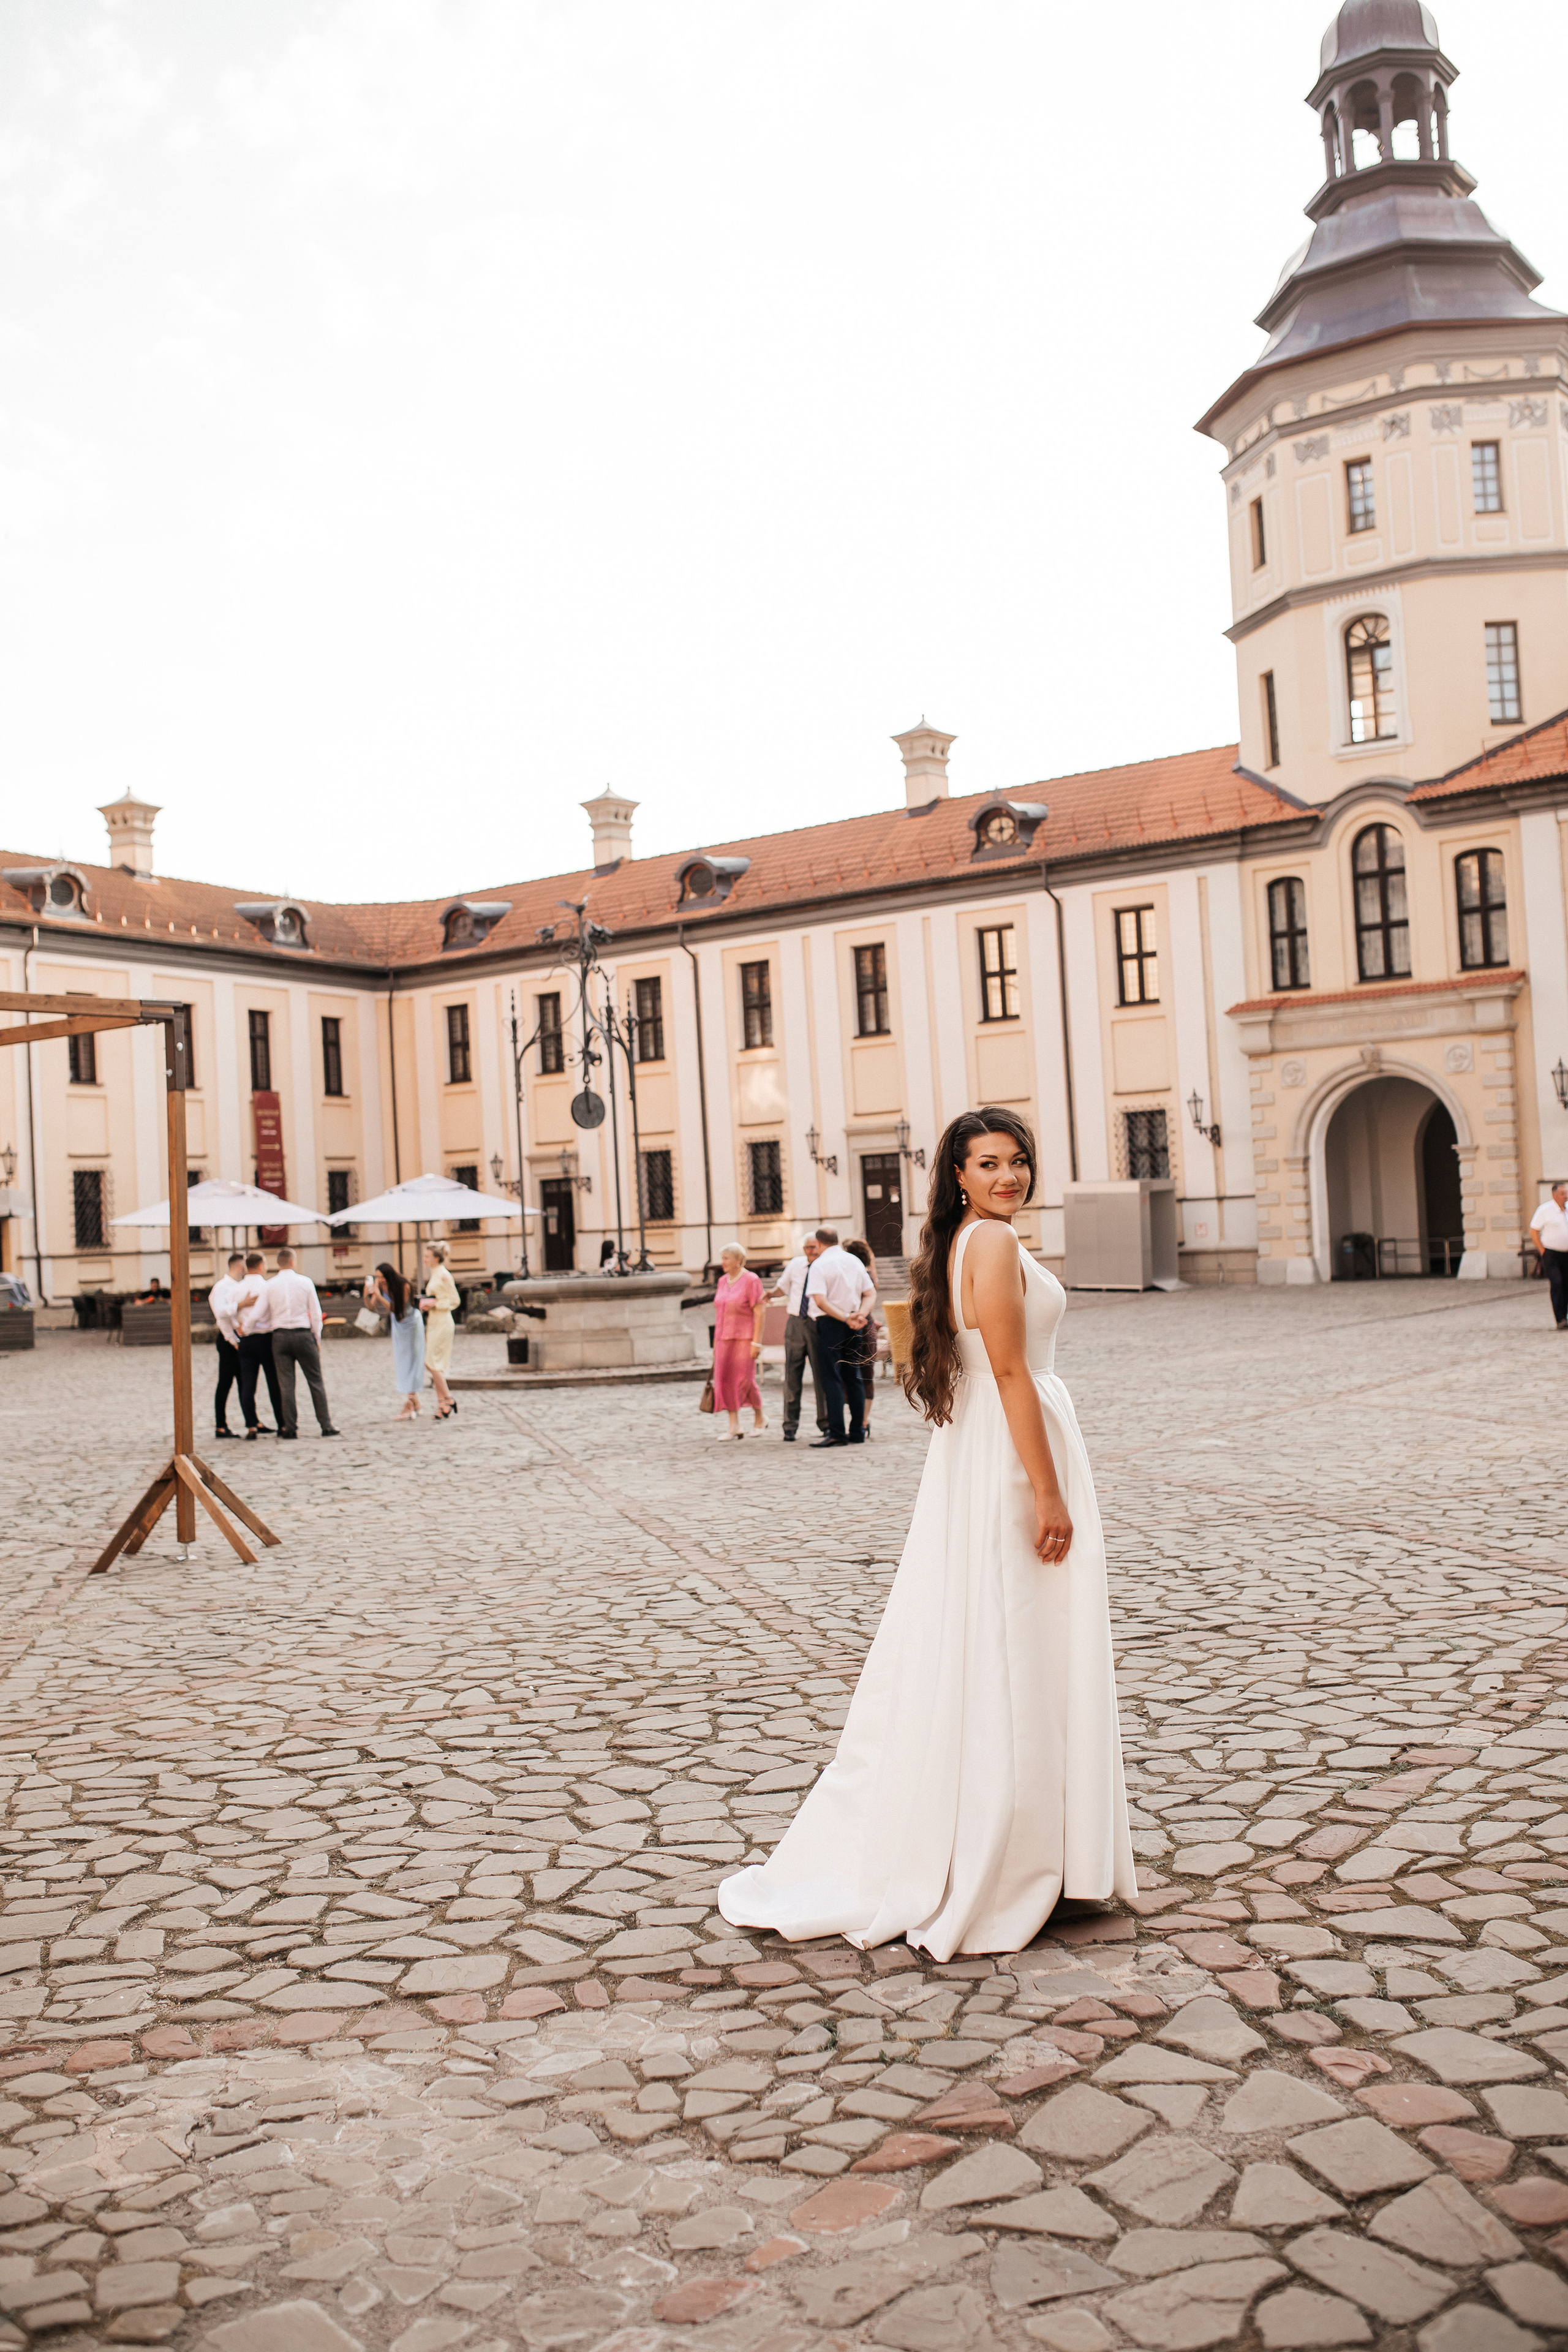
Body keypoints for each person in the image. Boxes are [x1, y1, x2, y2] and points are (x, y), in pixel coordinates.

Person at [718, 1106, 1135, 1959]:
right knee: (1017, 1643)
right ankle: (1014, 1858)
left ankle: (1030, 1851)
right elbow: (1013, 1370)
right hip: (1014, 1457)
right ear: (958, 1175)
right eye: (988, 1163)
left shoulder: (973, 1241)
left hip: (988, 1449)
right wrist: (1048, 1493)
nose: (1008, 1177)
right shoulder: (985, 1243)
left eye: (1018, 1161)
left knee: (1000, 1643)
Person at [257, 1246, 339, 1440]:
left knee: (286, 1385)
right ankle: (326, 1425)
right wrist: (316, 1337)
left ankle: (291, 1427)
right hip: (303, 1335)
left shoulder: (270, 1285)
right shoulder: (305, 1282)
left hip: (280, 1337)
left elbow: (259, 1312)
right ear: (293, 1262)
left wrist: (245, 1328)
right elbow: (316, 1314)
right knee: (316, 1381)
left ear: (278, 1263)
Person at [804, 1226, 874, 1447]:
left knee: (832, 1378)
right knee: (853, 1375)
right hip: (856, 1323)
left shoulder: (819, 1264)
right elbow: (870, 1292)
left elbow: (820, 1301)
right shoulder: (854, 1261)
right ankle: (857, 1431)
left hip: (832, 1323)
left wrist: (846, 1318)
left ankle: (837, 1432)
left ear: (819, 1243)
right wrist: (860, 1314)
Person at [771, 1235, 826, 1444]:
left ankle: (826, 1423)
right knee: (792, 1376)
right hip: (795, 1322)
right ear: (803, 1248)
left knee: (820, 1375)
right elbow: (782, 1287)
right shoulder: (795, 1265)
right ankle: (790, 1426)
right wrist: (771, 1294)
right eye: (808, 1248)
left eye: (815, 1247)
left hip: (816, 1323)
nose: (812, 1251)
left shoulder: (824, 1265)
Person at [711, 1245, 766, 1439]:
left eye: (726, 1258)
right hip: (723, 1338)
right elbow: (719, 1314)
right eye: (722, 1258)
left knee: (745, 1380)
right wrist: (716, 1343)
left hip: (745, 1338)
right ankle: (734, 1426)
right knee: (723, 1381)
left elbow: (759, 1313)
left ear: (738, 1260)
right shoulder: (722, 1281)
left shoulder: (752, 1280)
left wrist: (756, 1343)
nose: (723, 1262)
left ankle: (760, 1417)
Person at [233, 1251, 284, 1439]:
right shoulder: (267, 1286)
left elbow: (230, 1311)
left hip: (245, 1339)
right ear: (262, 1266)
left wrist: (237, 1328)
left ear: (247, 1267)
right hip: (265, 1338)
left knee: (248, 1384)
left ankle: (251, 1425)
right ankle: (282, 1423)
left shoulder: (237, 1288)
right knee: (274, 1382)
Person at [366, 1261, 425, 1420]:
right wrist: (369, 1294)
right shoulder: (381, 1285)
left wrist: (379, 1294)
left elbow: (397, 1309)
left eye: (382, 1277)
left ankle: (410, 1403)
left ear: (389, 1275)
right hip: (398, 1325)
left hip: (411, 1323)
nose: (380, 1280)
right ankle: (415, 1402)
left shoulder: (403, 1285)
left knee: (412, 1360)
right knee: (403, 1360)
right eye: (378, 1277)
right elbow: (372, 1307)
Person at [842, 1237, 882, 1438]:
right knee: (866, 1375)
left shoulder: (851, 1274)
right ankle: (864, 1420)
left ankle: (856, 1419)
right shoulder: (869, 1274)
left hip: (852, 1324)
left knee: (850, 1375)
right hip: (868, 1325)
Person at [418, 1240, 461, 1419]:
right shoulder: (435, 1273)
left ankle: (448, 1399)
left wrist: (435, 1304)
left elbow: (455, 1300)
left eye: (427, 1256)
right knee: (432, 1363)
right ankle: (442, 1403)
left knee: (432, 1362)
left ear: (437, 1258)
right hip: (435, 1322)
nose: (424, 1259)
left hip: (443, 1322)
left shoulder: (444, 1275)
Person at [208, 1252, 246, 1439]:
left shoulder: (237, 1286)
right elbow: (221, 1314)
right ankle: (221, 1425)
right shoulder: (222, 1287)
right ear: (240, 1267)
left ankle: (252, 1421)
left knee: (244, 1382)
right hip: (227, 1340)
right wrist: (240, 1305)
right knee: (225, 1382)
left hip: (238, 1339)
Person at [1529, 1182, 1568, 1328]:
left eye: (1566, 1193)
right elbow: (1533, 1231)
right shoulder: (1545, 1210)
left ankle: (1564, 1316)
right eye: (1563, 1194)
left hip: (1567, 1255)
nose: (1566, 1196)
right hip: (1551, 1254)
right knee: (1557, 1282)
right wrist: (1542, 1250)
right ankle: (1560, 1319)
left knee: (1566, 1285)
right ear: (1555, 1195)